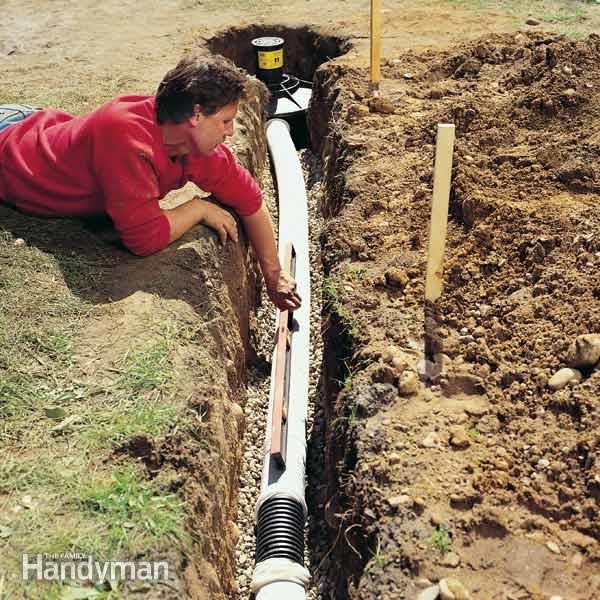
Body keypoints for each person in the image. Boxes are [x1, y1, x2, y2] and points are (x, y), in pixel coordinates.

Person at [0, 54, 301, 311]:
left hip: (31, 122)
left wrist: (274, 275)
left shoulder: (195, 147)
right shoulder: (126, 138)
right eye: (225, 121)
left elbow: (250, 202)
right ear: (196, 114)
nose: (231, 132)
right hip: (8, 154)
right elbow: (144, 239)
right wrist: (198, 209)